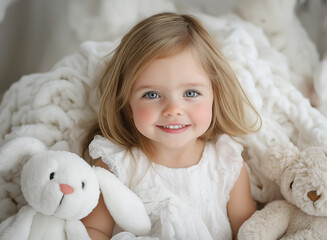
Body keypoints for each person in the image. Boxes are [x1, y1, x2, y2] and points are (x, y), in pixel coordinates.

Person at [81, 12, 261, 240]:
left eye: (191, 93)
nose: (173, 109)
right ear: (127, 103)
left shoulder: (226, 163)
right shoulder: (116, 165)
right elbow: (92, 231)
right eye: (152, 94)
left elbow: (247, 232)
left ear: (215, 95)